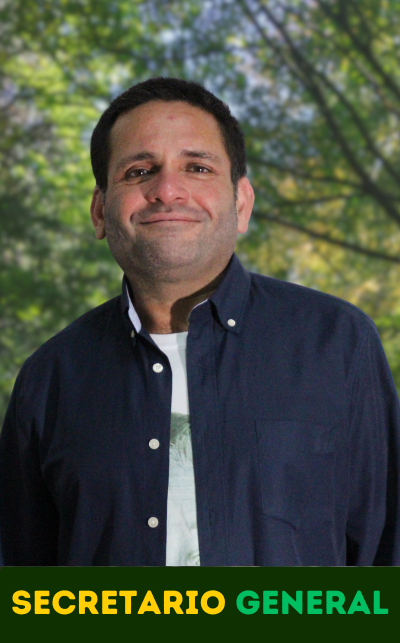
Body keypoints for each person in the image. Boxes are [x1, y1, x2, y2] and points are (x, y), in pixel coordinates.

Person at [1, 77, 399, 567]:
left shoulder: (337, 344)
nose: (167, 190)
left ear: (242, 204)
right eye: (139, 171)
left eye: (198, 167)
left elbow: (387, 557)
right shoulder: (49, 379)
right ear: (100, 211)